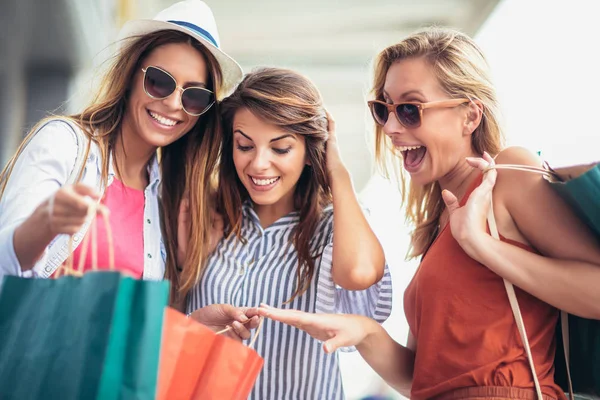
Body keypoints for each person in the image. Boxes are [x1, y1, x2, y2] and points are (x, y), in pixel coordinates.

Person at [258, 27, 600, 400]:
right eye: (383, 109)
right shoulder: (439, 222)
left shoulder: (506, 174)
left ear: (470, 116)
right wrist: (364, 331)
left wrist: (483, 246)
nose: (390, 128)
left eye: (409, 109)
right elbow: (419, 380)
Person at [0, 0, 258, 339]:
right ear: (132, 74)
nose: (172, 104)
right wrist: (44, 223)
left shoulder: (166, 198)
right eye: (160, 82)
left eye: (193, 96)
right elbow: (5, 266)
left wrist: (191, 331)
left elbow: (129, 336)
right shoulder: (65, 144)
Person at [186, 67, 393, 399]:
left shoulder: (332, 228)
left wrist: (337, 172)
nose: (258, 164)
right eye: (245, 146)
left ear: (311, 153)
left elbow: (359, 274)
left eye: (280, 149)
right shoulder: (206, 218)